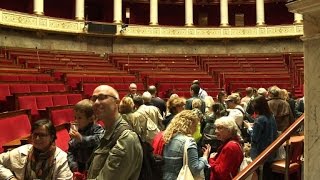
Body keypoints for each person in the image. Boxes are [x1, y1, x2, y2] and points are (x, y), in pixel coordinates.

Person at [87, 85, 143, 179]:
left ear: (117, 102)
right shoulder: (107, 131)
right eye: (94, 98)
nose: (96, 102)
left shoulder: (126, 139)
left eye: (102, 97)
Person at [0, 119, 73, 180]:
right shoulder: (22, 151)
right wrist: (10, 178)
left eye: (42, 135)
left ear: (51, 137)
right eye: (35, 134)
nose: (37, 138)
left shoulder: (62, 158)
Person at [162, 110, 211, 180]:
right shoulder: (189, 141)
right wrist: (204, 157)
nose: (197, 127)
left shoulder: (169, 137)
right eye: (197, 124)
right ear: (191, 124)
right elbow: (195, 169)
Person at [243, 95, 278, 180]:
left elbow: (254, 138)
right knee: (267, 173)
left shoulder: (260, 120)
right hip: (271, 149)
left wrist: (249, 128)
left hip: (260, 151)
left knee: (257, 173)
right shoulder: (271, 116)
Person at [67, 99, 105, 174]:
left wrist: (81, 139)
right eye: (75, 117)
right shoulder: (77, 131)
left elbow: (98, 140)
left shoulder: (97, 129)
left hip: (94, 168)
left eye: (79, 118)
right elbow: (70, 151)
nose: (76, 121)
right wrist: (73, 165)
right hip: (79, 167)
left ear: (90, 119)